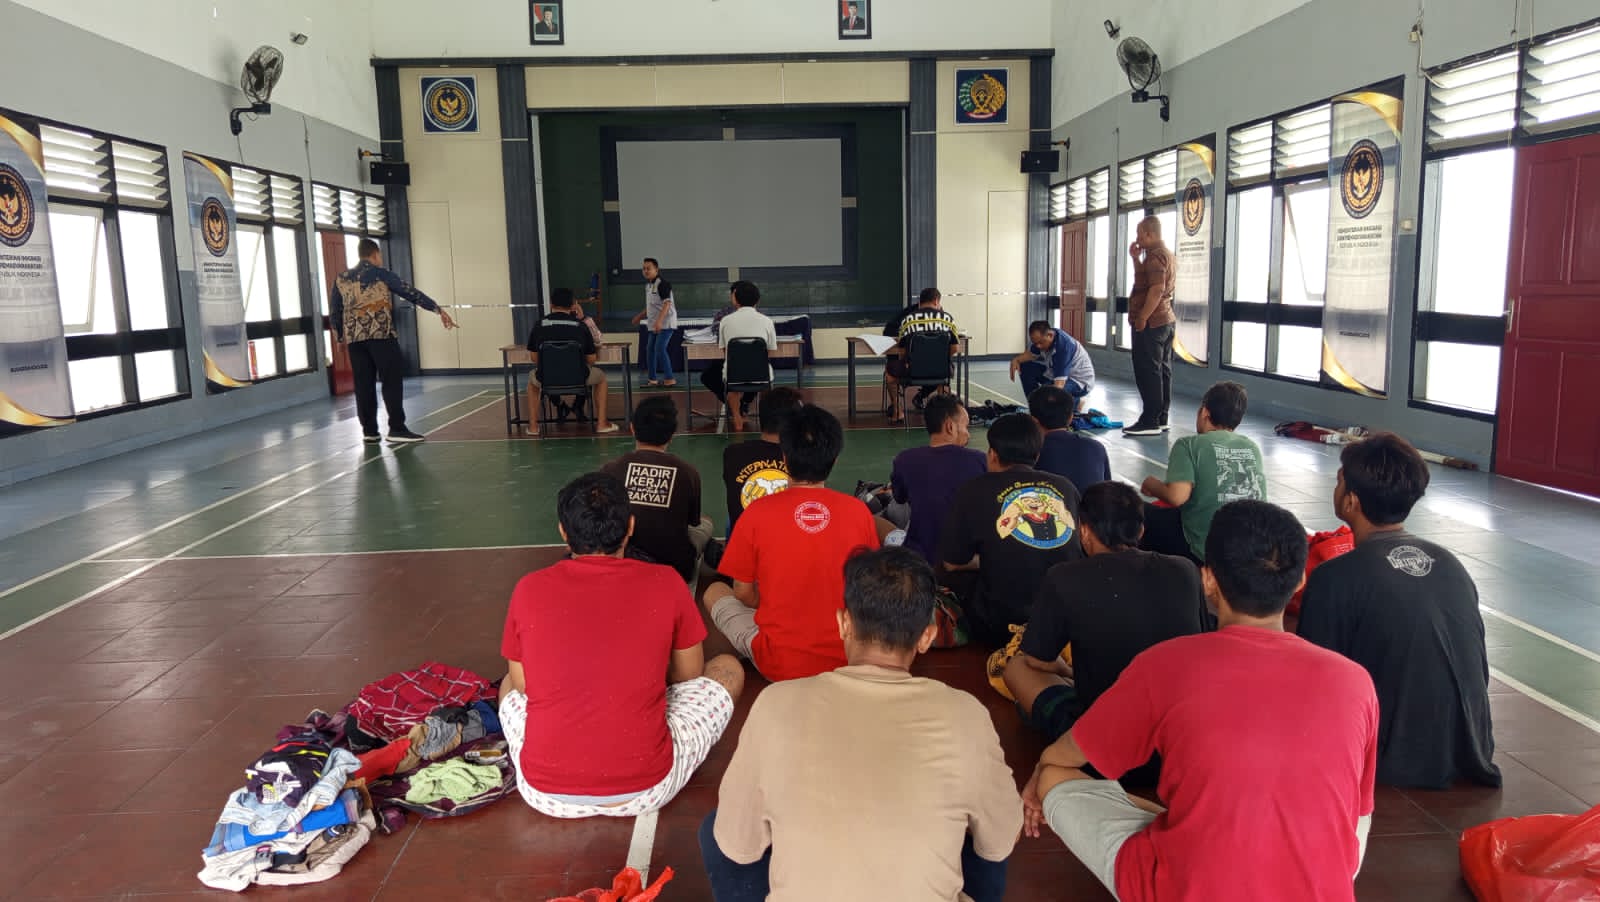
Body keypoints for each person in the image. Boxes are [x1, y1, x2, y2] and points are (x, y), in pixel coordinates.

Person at [1023, 500, 1378, 902]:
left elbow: (1067, 756)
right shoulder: (1355, 680)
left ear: (1208, 580)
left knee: (1054, 778)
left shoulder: (1166, 663)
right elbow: (1359, 812)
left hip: (1185, 889)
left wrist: (1041, 770)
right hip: (1319, 887)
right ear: (1299, 582)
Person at [701, 547, 1020, 902]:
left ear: (843, 624)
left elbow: (738, 845)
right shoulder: (967, 714)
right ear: (927, 637)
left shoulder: (775, 703)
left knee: (714, 830)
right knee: (980, 836)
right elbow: (999, 840)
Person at [498, 472, 745, 818]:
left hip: (543, 794)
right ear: (630, 526)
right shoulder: (666, 581)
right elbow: (689, 675)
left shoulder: (528, 588)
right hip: (647, 789)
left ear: (563, 532)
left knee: (507, 683)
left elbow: (524, 685)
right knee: (728, 668)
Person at [1298, 433, 1501, 789]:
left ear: (1351, 501)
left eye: (1339, 481)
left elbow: (1314, 682)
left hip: (1392, 761)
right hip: (1470, 750)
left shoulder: (1335, 576)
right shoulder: (1451, 564)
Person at [1003, 482, 1208, 781]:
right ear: (1140, 531)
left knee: (1017, 668)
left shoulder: (1064, 577)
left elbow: (1036, 659)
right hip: (1179, 749)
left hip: (1105, 753)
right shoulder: (1185, 570)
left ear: (1084, 531)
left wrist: (1067, 672)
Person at [703, 405, 880, 681]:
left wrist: (775, 603)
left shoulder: (756, 513)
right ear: (834, 460)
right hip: (847, 658)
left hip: (780, 665)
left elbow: (743, 593)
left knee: (714, 591)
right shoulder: (858, 512)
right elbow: (870, 588)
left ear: (784, 457)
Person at [940, 412, 1084, 648]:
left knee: (942, 571)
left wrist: (995, 555)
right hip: (1064, 621)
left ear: (993, 454)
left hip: (999, 625)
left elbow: (952, 563)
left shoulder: (973, 489)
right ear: (1037, 455)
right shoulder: (1065, 487)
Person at [330, 238, 457, 444]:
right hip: (381, 335)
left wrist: (339, 337)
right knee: (391, 381)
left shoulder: (341, 279)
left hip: (355, 340)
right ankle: (397, 428)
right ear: (375, 254)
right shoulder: (381, 274)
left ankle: (370, 431)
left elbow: (335, 309)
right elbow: (409, 292)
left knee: (363, 384)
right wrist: (436, 308)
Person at [1140, 380, 1265, 563]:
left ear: (1204, 412)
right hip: (1249, 550)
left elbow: (1177, 497)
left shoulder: (1189, 445)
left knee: (1138, 511)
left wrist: (1152, 485)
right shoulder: (1252, 447)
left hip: (1203, 550)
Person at [601, 396, 713, 586]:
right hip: (675, 568)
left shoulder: (610, 470)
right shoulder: (688, 472)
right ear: (672, 435)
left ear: (632, 429)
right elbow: (692, 521)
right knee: (706, 522)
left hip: (623, 562)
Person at [890, 393, 986, 567]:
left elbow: (899, 499)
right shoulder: (980, 460)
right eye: (965, 426)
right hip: (965, 557)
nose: (968, 434)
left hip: (919, 560)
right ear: (950, 427)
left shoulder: (904, 460)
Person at [524, 288, 618, 436]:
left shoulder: (539, 325)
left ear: (551, 304)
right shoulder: (581, 326)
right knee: (601, 378)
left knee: (532, 382)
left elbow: (534, 358)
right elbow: (591, 359)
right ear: (573, 305)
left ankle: (533, 427)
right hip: (579, 377)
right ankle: (601, 424)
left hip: (547, 378)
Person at [722, 386, 804, 535]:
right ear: (795, 426)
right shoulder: (803, 458)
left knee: (730, 522)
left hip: (744, 541)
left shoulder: (732, 453)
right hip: (789, 538)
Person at [1124, 216, 1177, 437]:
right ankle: (1161, 417)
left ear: (1149, 234)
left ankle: (1150, 420)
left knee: (1148, 371)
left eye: (1139, 234)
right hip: (1165, 320)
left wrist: (1142, 317)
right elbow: (1143, 283)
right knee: (1162, 370)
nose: (1137, 239)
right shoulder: (1166, 255)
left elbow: (1156, 289)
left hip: (1153, 323)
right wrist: (1136, 259)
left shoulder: (1156, 257)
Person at [701, 281, 778, 432]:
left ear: (735, 299)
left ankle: (737, 417)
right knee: (765, 379)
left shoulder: (725, 321)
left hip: (733, 373)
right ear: (757, 300)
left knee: (730, 381)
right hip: (761, 373)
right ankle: (767, 419)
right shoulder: (767, 321)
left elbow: (725, 351)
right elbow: (771, 351)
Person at [886, 287, 960, 423]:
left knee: (889, 375)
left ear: (920, 302)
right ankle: (943, 417)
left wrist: (908, 362)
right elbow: (955, 348)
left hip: (913, 370)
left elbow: (902, 351)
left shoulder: (908, 320)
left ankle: (898, 412)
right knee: (944, 374)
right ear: (936, 301)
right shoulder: (947, 319)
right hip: (941, 370)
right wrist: (940, 360)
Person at [1029, 384, 1111, 495]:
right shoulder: (1096, 447)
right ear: (1071, 418)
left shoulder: (1030, 451)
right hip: (1092, 505)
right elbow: (1108, 489)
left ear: (1033, 420)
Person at [1009, 320, 1095, 410]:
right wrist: (1016, 360)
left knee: (1046, 394)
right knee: (1025, 367)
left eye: (1040, 343)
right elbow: (1031, 354)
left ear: (1050, 335)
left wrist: (1044, 396)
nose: (1038, 346)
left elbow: (1059, 385)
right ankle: (1033, 404)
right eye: (1035, 343)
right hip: (1055, 372)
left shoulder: (1063, 347)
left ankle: (1076, 402)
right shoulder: (1043, 338)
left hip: (1079, 381)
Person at [631, 257, 677, 387]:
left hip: (666, 323)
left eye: (648, 268)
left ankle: (670, 378)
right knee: (649, 349)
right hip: (654, 324)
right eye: (644, 268)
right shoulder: (649, 286)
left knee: (659, 348)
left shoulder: (662, 284)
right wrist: (639, 316)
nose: (646, 271)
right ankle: (652, 379)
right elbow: (651, 306)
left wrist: (659, 322)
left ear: (656, 269)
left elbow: (667, 304)